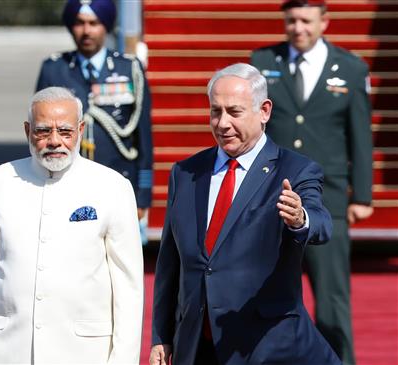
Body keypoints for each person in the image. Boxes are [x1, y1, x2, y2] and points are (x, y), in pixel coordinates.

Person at [149, 63, 341, 365]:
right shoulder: (185, 173)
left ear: (264, 111)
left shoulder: (294, 170)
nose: (222, 123)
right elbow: (171, 264)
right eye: (215, 111)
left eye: (234, 112)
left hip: (265, 346)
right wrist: (161, 335)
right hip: (198, 345)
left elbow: (321, 224)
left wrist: (300, 218)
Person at [0, 87, 144, 364]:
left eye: (65, 131)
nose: (55, 141)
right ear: (27, 131)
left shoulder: (112, 187)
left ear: (81, 130)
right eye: (43, 131)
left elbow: (128, 287)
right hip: (5, 350)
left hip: (83, 354)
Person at [250, 1, 373, 363]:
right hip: (272, 196)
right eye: (291, 20)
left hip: (327, 200)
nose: (298, 28)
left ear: (324, 22)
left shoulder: (350, 68)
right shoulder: (262, 62)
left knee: (332, 299)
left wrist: (361, 194)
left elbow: (359, 134)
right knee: (264, 294)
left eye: (306, 20)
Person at [35, 0, 153, 227]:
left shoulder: (129, 68)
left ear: (106, 26)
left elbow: (144, 138)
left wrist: (143, 194)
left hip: (118, 182)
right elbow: (39, 131)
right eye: (79, 23)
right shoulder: (53, 69)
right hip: (65, 184)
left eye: (94, 23)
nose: (87, 30)